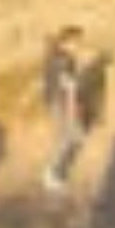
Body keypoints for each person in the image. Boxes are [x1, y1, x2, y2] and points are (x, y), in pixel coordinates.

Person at [39, 25, 91, 194]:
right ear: (67, 42)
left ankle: (56, 174)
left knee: (73, 137)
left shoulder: (59, 56)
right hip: (60, 103)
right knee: (67, 139)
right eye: (77, 43)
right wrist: (73, 108)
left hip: (57, 102)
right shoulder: (62, 60)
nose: (79, 46)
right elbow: (69, 87)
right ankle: (51, 174)